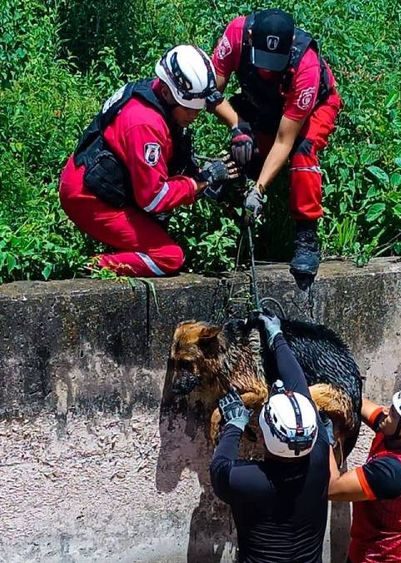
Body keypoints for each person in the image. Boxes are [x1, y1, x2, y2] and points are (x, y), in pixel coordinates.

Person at [59, 45, 235, 277]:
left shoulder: (153, 92)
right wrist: (199, 183)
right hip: (89, 196)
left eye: (198, 109)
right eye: (189, 108)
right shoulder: (145, 123)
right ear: (167, 93)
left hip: (96, 178)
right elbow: (152, 198)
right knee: (169, 257)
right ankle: (92, 267)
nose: (194, 115)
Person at [209, 8, 344, 288]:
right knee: (245, 149)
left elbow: (286, 140)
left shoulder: (305, 66)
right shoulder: (235, 34)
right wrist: (238, 128)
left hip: (313, 109)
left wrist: (259, 190)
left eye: (276, 62)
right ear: (249, 38)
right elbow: (211, 92)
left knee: (302, 152)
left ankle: (307, 236)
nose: (268, 69)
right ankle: (237, 188)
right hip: (265, 105)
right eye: (263, 61)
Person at [210, 311, 331, 562]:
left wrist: (234, 424)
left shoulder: (244, 480)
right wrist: (277, 337)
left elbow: (219, 465)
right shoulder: (320, 457)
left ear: (265, 436)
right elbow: (299, 387)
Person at [326, 381, 401, 563]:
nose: (386, 411)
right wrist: (332, 394)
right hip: (388, 551)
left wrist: (326, 437)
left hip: (380, 557)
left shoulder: (392, 471)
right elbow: (360, 404)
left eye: (393, 413)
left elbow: (330, 488)